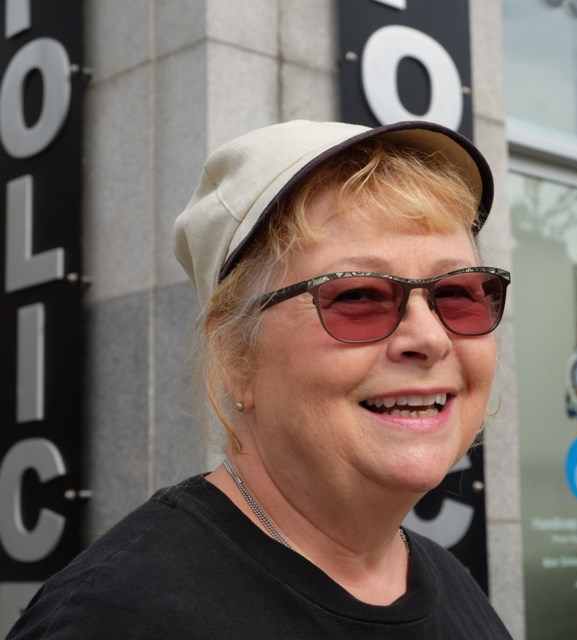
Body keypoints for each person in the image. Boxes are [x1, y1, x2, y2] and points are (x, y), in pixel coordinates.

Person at [8, 120, 512, 638]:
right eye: (358, 296)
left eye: (457, 294)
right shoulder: (113, 618)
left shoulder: (455, 587)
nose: (429, 338)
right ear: (235, 355)